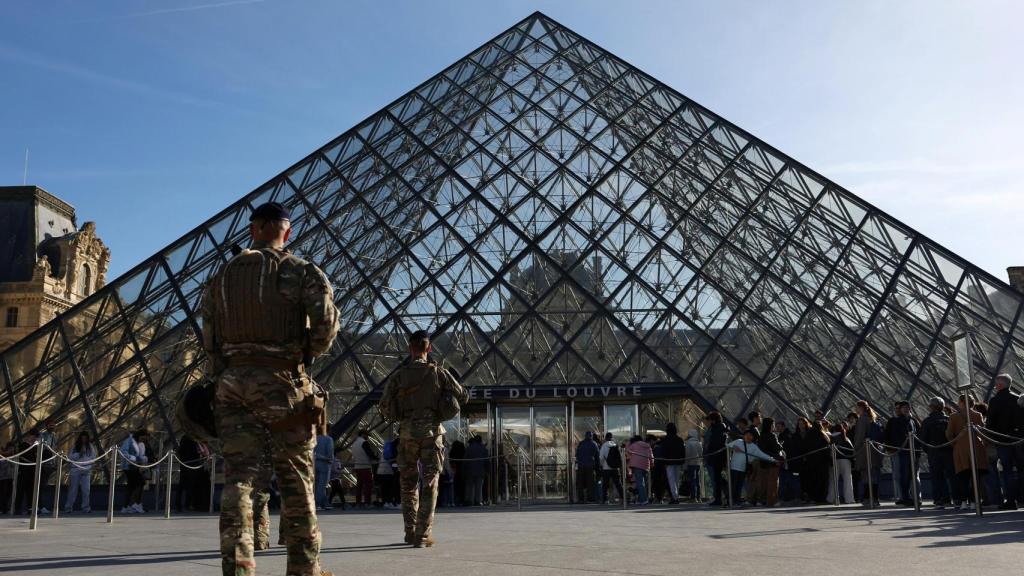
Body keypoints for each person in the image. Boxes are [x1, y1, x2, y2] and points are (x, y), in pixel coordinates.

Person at [200, 201, 340, 576]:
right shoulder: (301, 271)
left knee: (239, 481)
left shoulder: (222, 277)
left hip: (231, 387)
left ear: (253, 229)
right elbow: (326, 325)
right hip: (282, 385)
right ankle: (304, 569)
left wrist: (226, 372)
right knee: (296, 478)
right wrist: (303, 355)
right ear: (287, 231)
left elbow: (209, 337)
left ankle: (239, 569)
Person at [379, 330, 468, 548]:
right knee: (429, 484)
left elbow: (383, 406)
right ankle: (422, 535)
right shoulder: (439, 373)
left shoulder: (398, 376)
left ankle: (409, 532)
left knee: (407, 486)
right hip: (432, 435)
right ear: (428, 348)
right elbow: (463, 396)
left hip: (407, 435)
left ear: (410, 348)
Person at [947, 394, 989, 510]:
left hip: (960, 448)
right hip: (977, 447)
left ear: (961, 402)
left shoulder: (954, 416)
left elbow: (949, 434)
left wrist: (954, 444)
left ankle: (963, 501)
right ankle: (974, 501)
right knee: (976, 476)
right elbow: (983, 433)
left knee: (962, 476)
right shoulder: (977, 415)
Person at [986, 373, 1020, 510]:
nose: (994, 386)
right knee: (1021, 469)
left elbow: (990, 423)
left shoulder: (995, 401)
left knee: (1007, 471)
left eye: (996, 384)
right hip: (1018, 440)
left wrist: (991, 439)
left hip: (1002, 440)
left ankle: (1011, 500)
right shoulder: (1018, 399)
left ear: (1000, 385)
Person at [920, 397, 958, 508]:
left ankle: (940, 499)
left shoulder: (927, 421)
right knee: (952, 477)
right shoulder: (949, 419)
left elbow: (923, 439)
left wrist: (929, 450)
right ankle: (957, 498)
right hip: (949, 451)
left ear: (931, 407)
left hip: (934, 452)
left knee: (937, 477)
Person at [727, 429, 780, 506]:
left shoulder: (754, 447)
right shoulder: (738, 441)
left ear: (753, 437)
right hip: (734, 468)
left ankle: (736, 500)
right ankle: (730, 500)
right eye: (746, 435)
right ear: (744, 436)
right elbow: (727, 446)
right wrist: (733, 447)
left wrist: (774, 460)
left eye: (750, 435)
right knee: (733, 485)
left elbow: (763, 455)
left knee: (739, 485)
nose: (748, 437)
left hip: (743, 469)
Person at [886, 401, 920, 506]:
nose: (905, 409)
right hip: (903, 451)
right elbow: (894, 437)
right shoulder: (897, 421)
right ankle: (905, 497)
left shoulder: (912, 421)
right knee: (904, 475)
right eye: (903, 407)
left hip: (910, 451)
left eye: (907, 407)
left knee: (909, 475)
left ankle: (908, 497)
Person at [853, 401, 882, 507]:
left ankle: (867, 498)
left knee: (866, 475)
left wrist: (855, 448)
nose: (855, 409)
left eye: (856, 407)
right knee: (874, 475)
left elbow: (860, 436)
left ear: (860, 408)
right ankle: (875, 498)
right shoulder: (872, 418)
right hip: (875, 450)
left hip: (865, 451)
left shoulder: (862, 419)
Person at [65, 431, 95, 513]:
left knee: (86, 490)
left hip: (86, 470)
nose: (84, 440)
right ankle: (68, 507)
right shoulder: (75, 446)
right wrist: (79, 454)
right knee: (73, 489)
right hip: (76, 470)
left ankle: (86, 507)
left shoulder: (90, 447)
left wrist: (89, 466)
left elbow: (93, 458)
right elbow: (70, 457)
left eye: (85, 438)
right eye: (82, 438)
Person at [755, 418, 783, 507]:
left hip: (763, 461)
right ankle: (772, 501)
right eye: (773, 424)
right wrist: (780, 444)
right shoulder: (772, 435)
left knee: (763, 482)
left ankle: (761, 500)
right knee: (773, 483)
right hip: (773, 461)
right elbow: (777, 448)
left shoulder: (761, 436)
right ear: (771, 425)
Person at [120, 429, 149, 514]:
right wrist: (135, 458)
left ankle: (125, 507)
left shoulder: (136, 442)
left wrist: (140, 459)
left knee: (131, 486)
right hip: (129, 466)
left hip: (133, 466)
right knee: (141, 482)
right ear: (139, 436)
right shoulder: (129, 441)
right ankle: (137, 504)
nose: (143, 441)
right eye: (143, 438)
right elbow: (123, 452)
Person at [704, 412, 728, 506]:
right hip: (718, 456)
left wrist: (708, 446)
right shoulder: (721, 427)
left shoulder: (717, 428)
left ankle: (719, 498)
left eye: (710, 419)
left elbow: (715, 442)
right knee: (717, 477)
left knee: (717, 478)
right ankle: (723, 495)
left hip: (716, 456)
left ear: (713, 420)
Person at [827, 424, 855, 504]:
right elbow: (851, 450)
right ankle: (849, 499)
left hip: (835, 460)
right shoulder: (846, 438)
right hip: (846, 460)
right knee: (847, 480)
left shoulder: (831, 438)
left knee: (833, 480)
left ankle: (831, 498)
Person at [350, 430, 376, 508]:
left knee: (359, 485)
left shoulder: (354, 443)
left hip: (357, 467)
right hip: (365, 466)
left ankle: (358, 502)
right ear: (363, 434)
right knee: (368, 485)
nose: (368, 437)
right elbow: (370, 454)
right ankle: (367, 503)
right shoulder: (364, 442)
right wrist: (377, 458)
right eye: (367, 435)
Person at [661, 423, 685, 504]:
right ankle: (676, 496)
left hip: (669, 462)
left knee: (671, 480)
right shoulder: (679, 440)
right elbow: (683, 451)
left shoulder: (665, 440)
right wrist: (682, 461)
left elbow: (664, 452)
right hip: (678, 462)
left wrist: (664, 462)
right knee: (677, 480)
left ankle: (674, 497)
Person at [626, 435, 653, 505]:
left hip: (637, 465)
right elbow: (651, 456)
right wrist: (652, 464)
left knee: (640, 483)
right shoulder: (647, 446)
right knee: (644, 483)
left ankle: (644, 500)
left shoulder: (634, 444)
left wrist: (629, 442)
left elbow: (627, 451)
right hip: (646, 466)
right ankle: (642, 499)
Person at [574, 431, 600, 503]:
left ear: (585, 436)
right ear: (591, 436)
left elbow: (577, 454)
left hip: (581, 466)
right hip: (590, 466)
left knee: (580, 483)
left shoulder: (581, 443)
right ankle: (590, 498)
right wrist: (598, 467)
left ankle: (581, 499)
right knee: (590, 483)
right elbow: (597, 456)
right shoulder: (594, 444)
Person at [463, 435, 488, 506]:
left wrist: (464, 470)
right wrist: (487, 470)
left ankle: (469, 500)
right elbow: (486, 460)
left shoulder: (469, 448)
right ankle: (478, 500)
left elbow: (465, 460)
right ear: (480, 440)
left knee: (469, 486)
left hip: (470, 470)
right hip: (480, 470)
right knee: (479, 487)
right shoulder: (483, 449)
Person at [598, 432, 623, 504]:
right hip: (615, 468)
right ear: (612, 438)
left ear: (606, 438)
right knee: (618, 484)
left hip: (606, 468)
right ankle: (623, 497)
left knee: (605, 485)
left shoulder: (604, 446)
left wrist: (601, 465)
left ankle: (604, 499)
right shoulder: (615, 445)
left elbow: (601, 457)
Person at [314, 430, 335, 511]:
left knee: (317, 484)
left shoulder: (314, 438)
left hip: (315, 463)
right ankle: (317, 503)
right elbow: (330, 451)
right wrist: (330, 459)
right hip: (324, 464)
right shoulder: (328, 439)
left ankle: (325, 503)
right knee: (322, 485)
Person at [684, 429, 702, 502]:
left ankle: (693, 497)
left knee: (692, 480)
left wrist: (685, 465)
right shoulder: (698, 443)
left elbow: (687, 455)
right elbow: (701, 454)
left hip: (690, 463)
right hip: (697, 463)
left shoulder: (688, 443)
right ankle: (698, 497)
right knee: (697, 480)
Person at [0, 442, 14, 514]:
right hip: (2, 477)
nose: (12, 450)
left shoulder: (13, 456)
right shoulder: (2, 455)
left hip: (9, 477)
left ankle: (5, 508)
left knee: (8, 493)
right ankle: (3, 508)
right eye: (10, 448)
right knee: (2, 493)